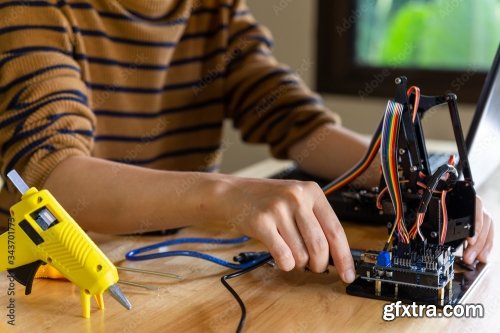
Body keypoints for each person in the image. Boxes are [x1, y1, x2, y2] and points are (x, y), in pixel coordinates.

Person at [0, 0, 492, 284]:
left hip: (160, 268)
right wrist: (227, 196)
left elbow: (297, 124)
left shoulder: (213, 10)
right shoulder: (31, 10)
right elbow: (51, 180)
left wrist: (411, 175)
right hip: (36, 279)